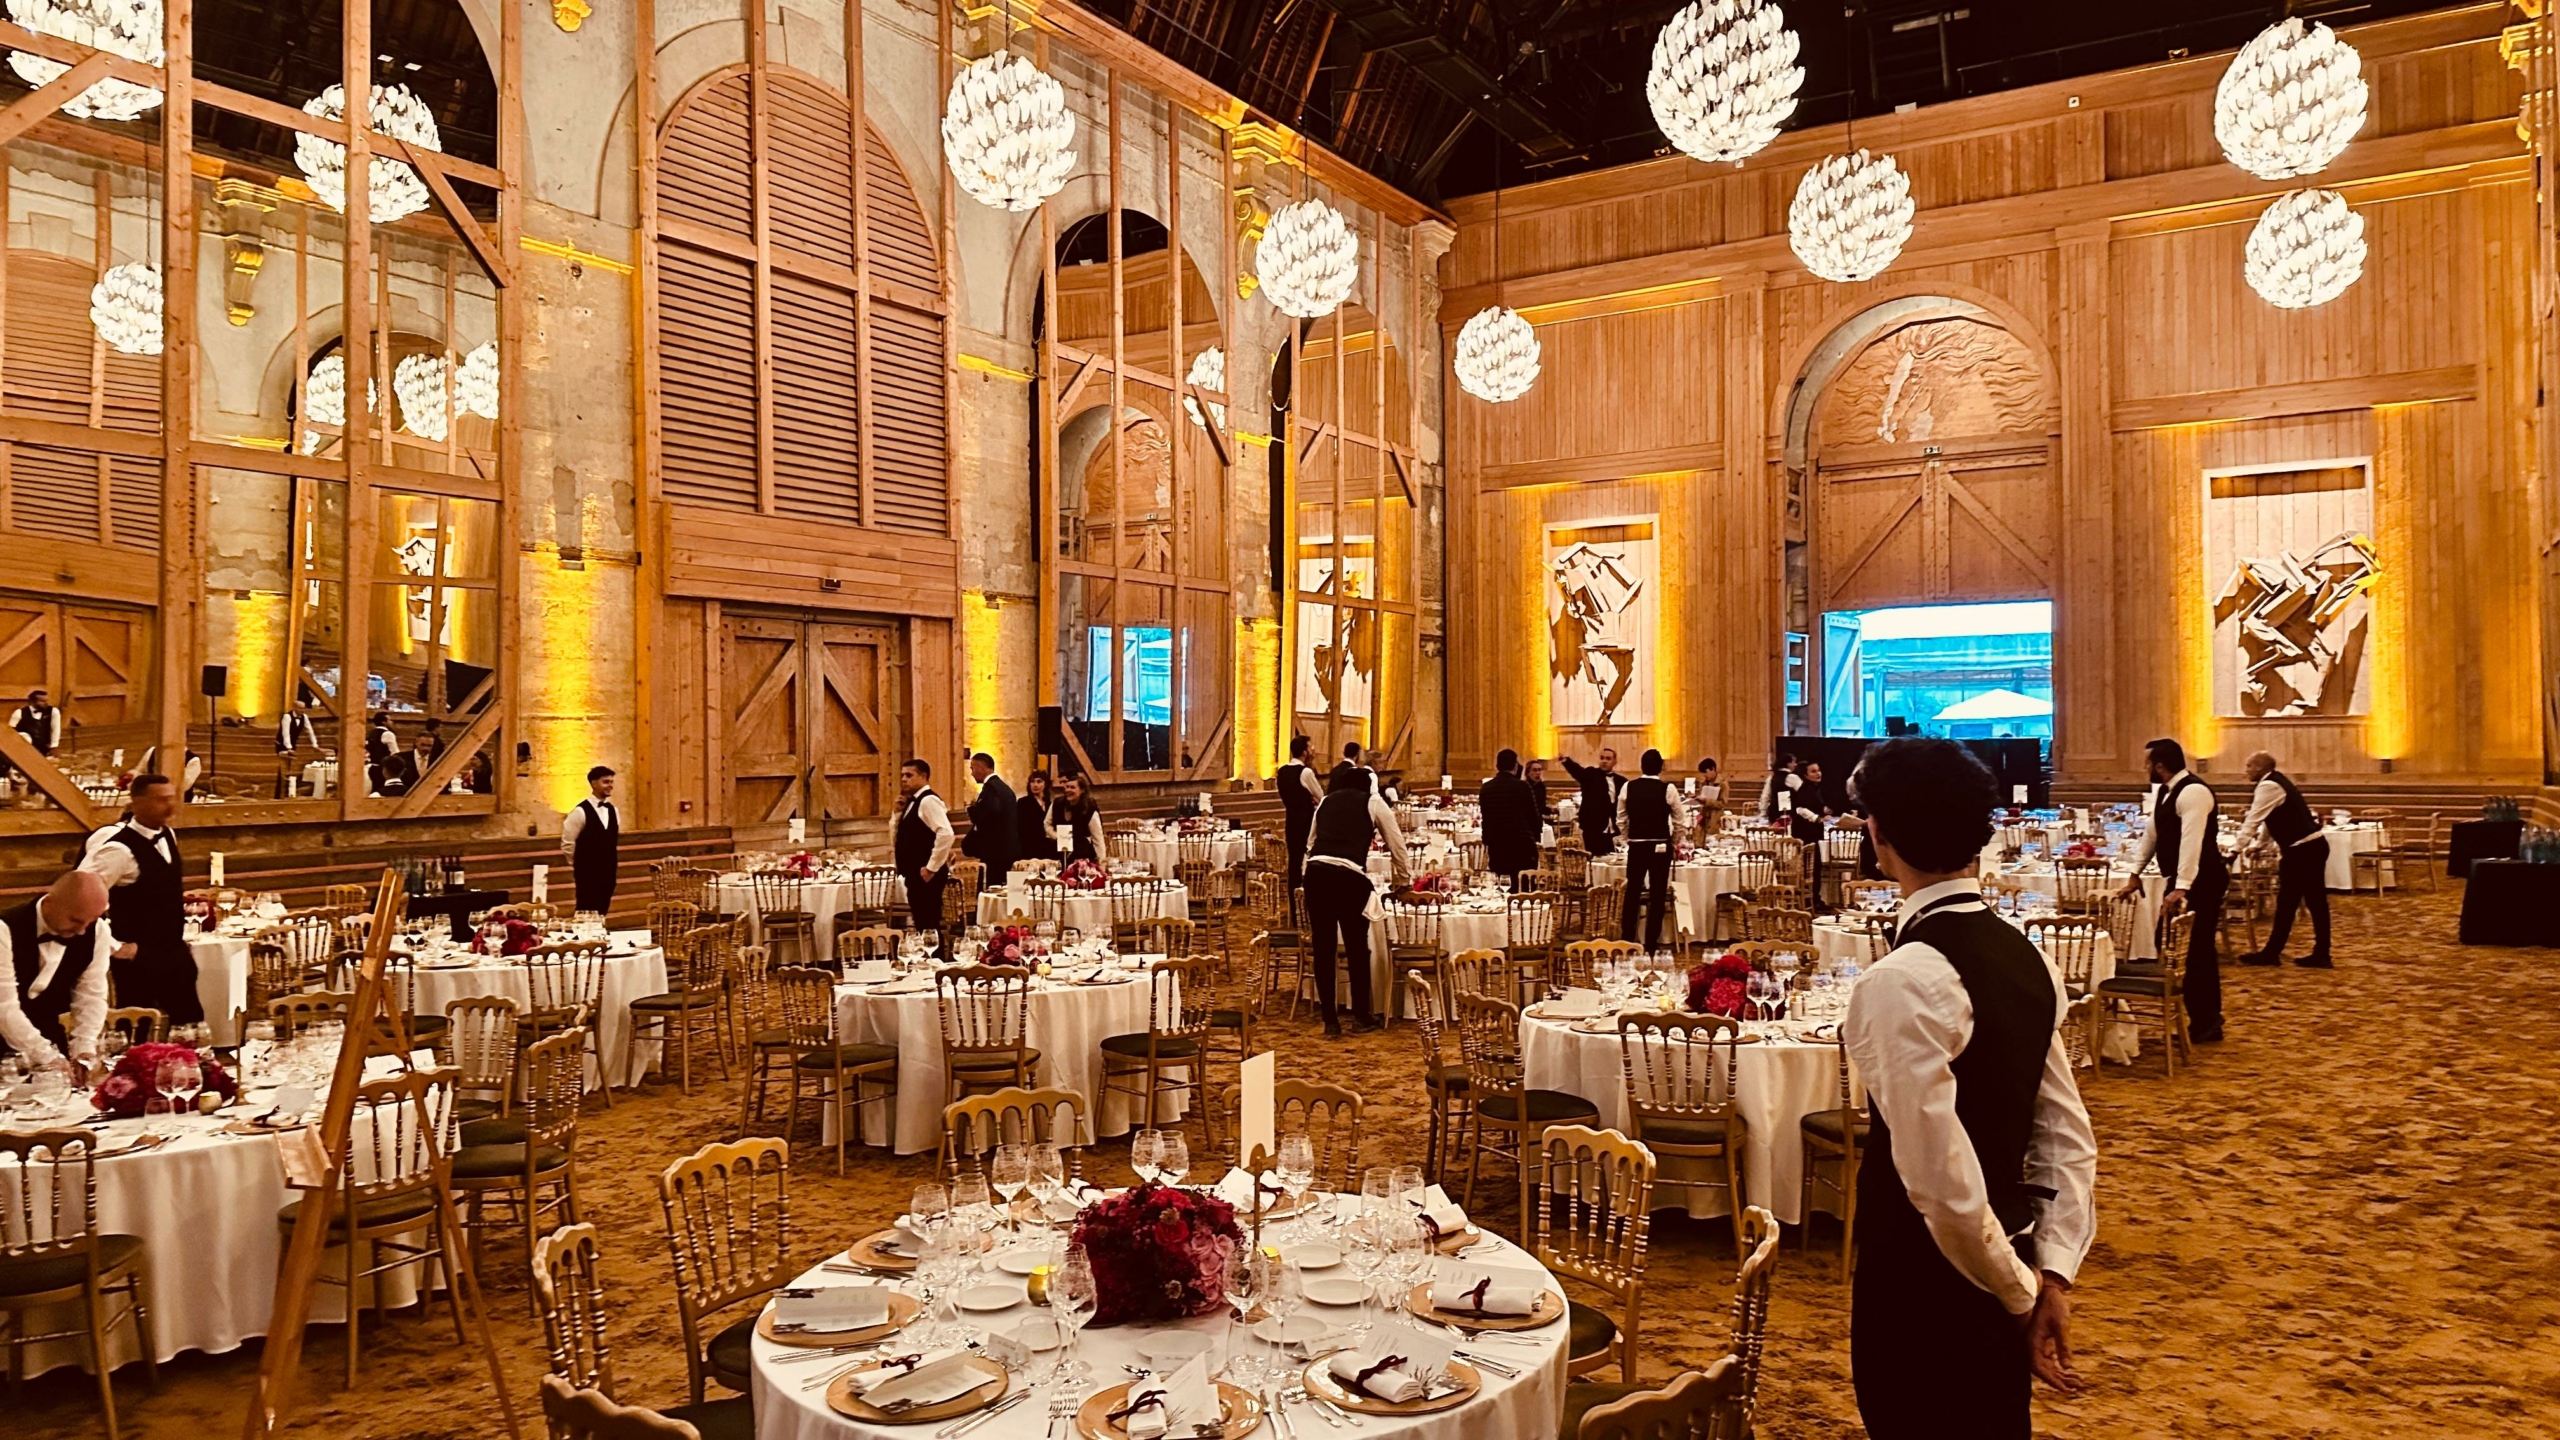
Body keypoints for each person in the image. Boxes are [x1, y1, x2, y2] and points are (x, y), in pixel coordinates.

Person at [1841, 737, 2093, 1439]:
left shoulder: (1900, 980)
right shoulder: (2029, 954)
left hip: (1923, 1286)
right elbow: (2065, 1135)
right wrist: (2053, 1272)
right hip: (2008, 1258)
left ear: (1878, 836)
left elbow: (1939, 1185)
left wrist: (2021, 1295)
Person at [2118, 737, 2228, 1043]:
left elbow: (2191, 842)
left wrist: (2181, 887)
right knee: (2174, 944)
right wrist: (2134, 874)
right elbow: (2152, 835)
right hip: (2186, 880)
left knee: (2197, 950)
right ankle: (2204, 1016)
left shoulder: (2193, 792)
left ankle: (2207, 1021)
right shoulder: (2165, 793)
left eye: (2147, 763)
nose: (2145, 768)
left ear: (2160, 766)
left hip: (2202, 879)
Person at [1303, 762, 1412, 1037]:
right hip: (1349, 877)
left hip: (1316, 874)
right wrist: (1403, 882)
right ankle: (1361, 1016)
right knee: (1356, 947)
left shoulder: (1326, 802)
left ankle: (1330, 1020)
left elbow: (1310, 843)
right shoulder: (1374, 802)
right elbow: (1397, 844)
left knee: (1324, 947)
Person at [80, 774, 199, 1023]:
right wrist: (114, 946)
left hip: (173, 953)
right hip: (138, 959)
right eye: (161, 800)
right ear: (136, 802)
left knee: (190, 1025)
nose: (170, 806)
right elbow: (80, 898)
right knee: (139, 1030)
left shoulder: (168, 835)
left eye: (172, 799)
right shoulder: (117, 850)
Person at [0, 870, 114, 1075]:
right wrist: (44, 1055)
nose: (81, 931)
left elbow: (91, 996)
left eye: (90, 921)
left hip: (49, 1039)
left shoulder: (96, 932)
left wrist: (84, 1049)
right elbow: (3, 1007)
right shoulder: (4, 930)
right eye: (76, 920)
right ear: (50, 902)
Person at [2234, 750, 2331, 969]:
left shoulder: (2269, 786)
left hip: (2304, 850)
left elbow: (2254, 819)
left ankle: (2312, 953)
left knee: (2304, 903)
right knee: (2295, 903)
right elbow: (2271, 818)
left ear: (2260, 768)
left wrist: (2235, 849)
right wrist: (2259, 845)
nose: (2246, 770)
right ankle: (2286, 952)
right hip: (2307, 848)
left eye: (2249, 766)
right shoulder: (2276, 782)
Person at [1616, 749, 1688, 950]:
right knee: (1657, 894)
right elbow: (1679, 820)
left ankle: (1628, 938)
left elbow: (1621, 818)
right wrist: (1673, 840)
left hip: (1637, 846)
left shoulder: (1628, 787)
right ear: (1661, 767)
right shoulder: (1668, 789)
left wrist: (1627, 838)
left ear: (1641, 766)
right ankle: (1651, 943)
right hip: (1660, 846)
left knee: (1633, 892)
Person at [895, 758, 957, 947]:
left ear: (923, 777)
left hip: (926, 874)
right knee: (922, 922)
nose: (904, 779)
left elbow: (946, 834)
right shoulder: (911, 803)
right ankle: (930, 963)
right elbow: (900, 837)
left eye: (909, 775)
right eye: (902, 776)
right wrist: (897, 813)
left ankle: (936, 964)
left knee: (928, 923)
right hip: (915, 873)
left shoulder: (928, 800)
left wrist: (931, 867)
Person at [1478, 749, 1544, 888]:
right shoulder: (1522, 787)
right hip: (1521, 845)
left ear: (1497, 766)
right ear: (1515, 766)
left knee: (1502, 888)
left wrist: (1488, 841)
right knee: (1524, 888)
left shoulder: (1486, 788)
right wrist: (1535, 838)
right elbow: (1534, 817)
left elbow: (1485, 818)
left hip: (1497, 846)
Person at [561, 766, 621, 917]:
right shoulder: (580, 812)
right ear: (594, 783)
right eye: (606, 782)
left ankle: (599, 936)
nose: (610, 786)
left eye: (611, 782)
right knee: (585, 907)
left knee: (603, 907)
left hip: (608, 869)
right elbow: (568, 842)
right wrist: (579, 865)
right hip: (587, 870)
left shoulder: (614, 811)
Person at [1276, 736, 1322, 896]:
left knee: (1294, 863)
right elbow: (1321, 796)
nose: (1312, 751)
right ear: (1304, 752)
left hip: (1291, 821)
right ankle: (1309, 898)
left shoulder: (1281, 772)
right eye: (1310, 748)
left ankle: (1293, 902)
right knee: (1311, 860)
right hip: (1307, 822)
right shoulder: (1305, 772)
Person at [963, 752, 1020, 881]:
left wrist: (973, 810)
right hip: (1007, 849)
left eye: (972, 768)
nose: (971, 773)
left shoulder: (991, 789)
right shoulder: (1004, 788)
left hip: (996, 852)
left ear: (981, 768)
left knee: (992, 890)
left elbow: (989, 818)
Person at [1560, 748, 1625, 857]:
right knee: (1594, 860)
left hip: (1614, 830)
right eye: (1602, 758)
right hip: (1593, 828)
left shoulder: (1621, 781)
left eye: (1608, 758)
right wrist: (1566, 761)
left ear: (1614, 762)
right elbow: (1577, 771)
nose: (1604, 761)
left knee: (1614, 858)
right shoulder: (1590, 775)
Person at [1793, 759, 1832, 906]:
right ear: (1805, 775)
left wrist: (1823, 811)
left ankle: (1814, 898)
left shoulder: (1815, 788)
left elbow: (1813, 805)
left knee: (1815, 866)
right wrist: (1817, 818)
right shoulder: (1805, 789)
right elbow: (1800, 809)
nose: (1818, 773)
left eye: (1819, 770)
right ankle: (1810, 899)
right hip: (1806, 832)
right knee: (1810, 866)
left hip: (1813, 832)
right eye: (1813, 771)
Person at [1051, 772, 1106, 865]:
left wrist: (1102, 862)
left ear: (1082, 790)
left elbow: (1098, 838)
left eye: (1072, 787)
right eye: (1067, 787)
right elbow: (1047, 824)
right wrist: (1056, 836)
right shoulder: (1057, 803)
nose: (1068, 790)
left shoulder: (1090, 809)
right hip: (1058, 852)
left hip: (1081, 855)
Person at [1018, 770, 1059, 867]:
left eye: (1039, 781)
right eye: (1032, 782)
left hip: (1047, 847)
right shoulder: (1023, 803)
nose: (1035, 785)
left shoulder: (1050, 803)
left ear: (1045, 784)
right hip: (1029, 846)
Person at [9, 687, 62, 758]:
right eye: (42, 701)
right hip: (24, 748)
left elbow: (55, 729)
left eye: (46, 700)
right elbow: (10, 731)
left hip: (44, 747)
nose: (46, 703)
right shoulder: (19, 712)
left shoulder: (53, 711)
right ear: (32, 702)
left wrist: (54, 746)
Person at [1760, 751, 1799, 822]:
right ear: (1788, 764)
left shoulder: (1771, 778)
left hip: (1774, 814)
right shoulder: (1793, 778)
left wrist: (1763, 813)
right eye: (1794, 762)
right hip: (1791, 815)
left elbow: (1765, 797)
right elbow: (1804, 794)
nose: (1796, 764)